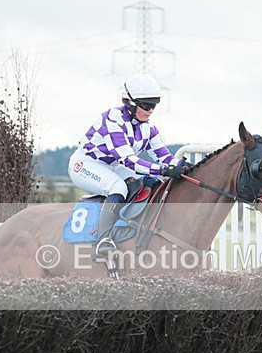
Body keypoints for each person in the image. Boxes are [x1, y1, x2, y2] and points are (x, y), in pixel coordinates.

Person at [68, 73, 187, 258]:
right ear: (130, 102)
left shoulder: (148, 128)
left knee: (149, 182)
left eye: (154, 105)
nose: (150, 111)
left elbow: (164, 156)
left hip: (113, 166)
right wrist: (163, 169)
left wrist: (184, 167)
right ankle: (102, 240)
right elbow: (128, 160)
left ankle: (132, 230)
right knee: (118, 188)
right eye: (146, 105)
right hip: (86, 164)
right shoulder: (112, 120)